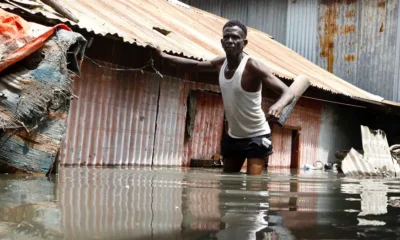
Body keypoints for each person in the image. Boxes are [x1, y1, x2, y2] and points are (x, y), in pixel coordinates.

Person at [153, 20, 294, 175]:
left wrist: (278, 106)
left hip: (257, 135)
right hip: (234, 136)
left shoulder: (252, 66)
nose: (230, 41)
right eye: (226, 37)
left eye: (235, 37)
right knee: (228, 182)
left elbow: (288, 92)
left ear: (244, 43)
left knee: (255, 188)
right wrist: (163, 56)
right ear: (221, 41)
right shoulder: (220, 64)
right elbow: (193, 66)